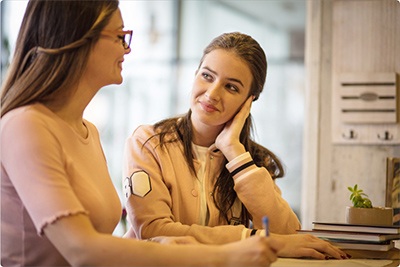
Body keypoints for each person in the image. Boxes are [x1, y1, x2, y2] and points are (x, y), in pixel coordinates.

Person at [0, 2, 285, 266]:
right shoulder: (26, 125)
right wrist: (223, 254)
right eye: (118, 36)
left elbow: (97, 245)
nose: (127, 49)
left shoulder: (88, 131)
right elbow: (81, 250)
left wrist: (166, 245)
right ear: (78, 40)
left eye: (232, 87)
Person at [123, 32, 349, 260]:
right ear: (195, 75)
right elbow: (153, 231)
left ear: (249, 101)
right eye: (207, 76)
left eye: (231, 87)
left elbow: (287, 235)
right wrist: (250, 239)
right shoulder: (148, 142)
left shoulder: (250, 159)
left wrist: (234, 151)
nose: (212, 94)